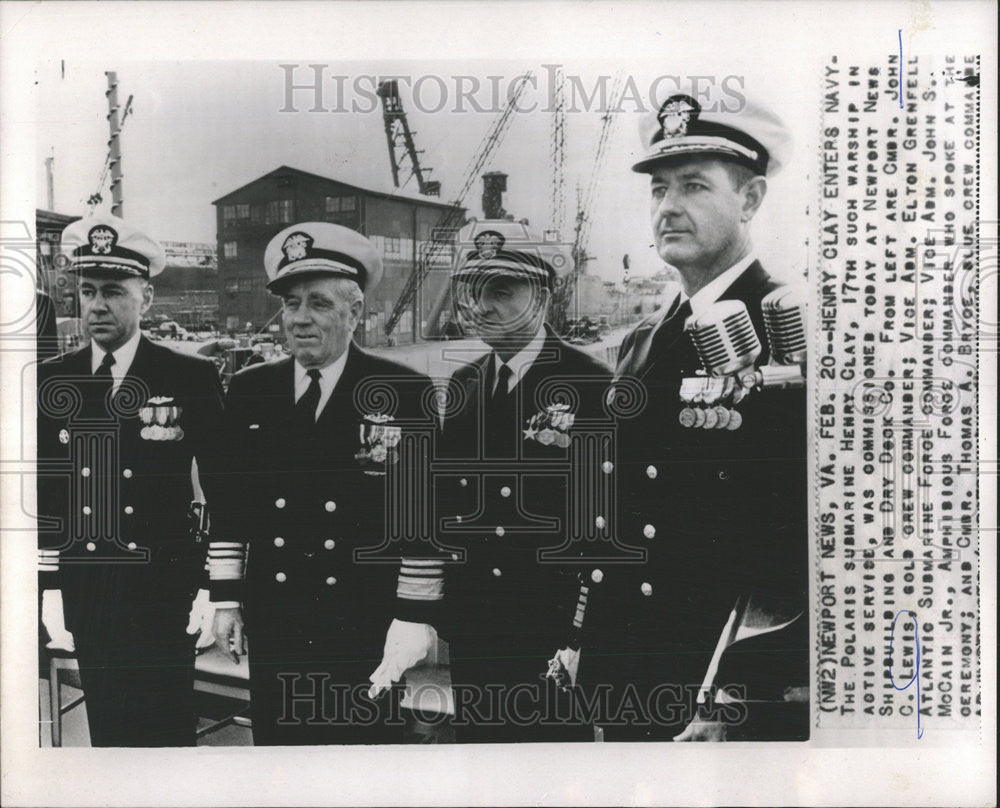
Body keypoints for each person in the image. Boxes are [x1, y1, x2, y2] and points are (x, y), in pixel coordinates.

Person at [579, 89, 809, 741]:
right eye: (658, 189)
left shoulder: (792, 331)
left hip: (718, 682)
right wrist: (587, 646)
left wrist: (742, 696)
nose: (668, 207)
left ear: (751, 199)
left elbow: (809, 544)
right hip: (627, 669)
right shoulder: (642, 340)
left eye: (694, 186)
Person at [372, 223, 613, 742]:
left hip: (551, 622)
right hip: (477, 616)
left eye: (502, 291)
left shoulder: (591, 383)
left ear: (544, 296)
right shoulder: (466, 383)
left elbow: (609, 514)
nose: (483, 305)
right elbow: (441, 499)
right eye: (476, 291)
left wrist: (584, 630)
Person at [209, 222, 434, 745]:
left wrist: (413, 615)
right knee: (282, 757)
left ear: (356, 312)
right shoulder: (250, 390)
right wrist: (226, 597)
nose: (300, 319)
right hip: (277, 612)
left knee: (360, 764)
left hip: (363, 618)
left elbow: (422, 512)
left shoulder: (401, 390)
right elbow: (230, 501)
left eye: (319, 303)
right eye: (291, 304)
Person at [36, 212, 225, 746]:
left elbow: (223, 484)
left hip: (163, 592)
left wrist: (213, 587)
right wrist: (50, 586)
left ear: (146, 299)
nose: (97, 304)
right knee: (109, 739)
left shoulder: (188, 376)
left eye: (114, 291)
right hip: (88, 587)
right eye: (88, 290)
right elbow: (48, 491)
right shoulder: (54, 379)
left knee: (166, 738)